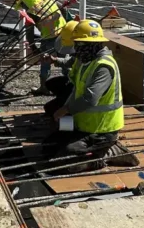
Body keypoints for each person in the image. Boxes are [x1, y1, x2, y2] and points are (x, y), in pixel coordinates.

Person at [51, 20, 125, 154]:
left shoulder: (103, 67)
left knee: (68, 151)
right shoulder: (87, 61)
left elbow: (90, 98)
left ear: (92, 45)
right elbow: (76, 90)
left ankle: (107, 153)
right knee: (50, 145)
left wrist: (66, 109)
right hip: (85, 124)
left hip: (103, 129)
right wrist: (65, 110)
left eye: (79, 44)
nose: (76, 48)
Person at [15, 0, 67, 92]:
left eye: (22, 4)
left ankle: (44, 88)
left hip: (48, 38)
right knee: (66, 61)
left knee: (45, 62)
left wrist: (33, 46)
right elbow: (63, 8)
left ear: (25, 1)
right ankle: (71, 86)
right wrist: (64, 22)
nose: (23, 7)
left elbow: (29, 31)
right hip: (64, 34)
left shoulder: (32, 12)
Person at [42, 20, 79, 115]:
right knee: (51, 84)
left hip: (80, 91)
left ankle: (66, 104)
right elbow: (70, 61)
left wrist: (67, 108)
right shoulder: (81, 53)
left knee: (49, 109)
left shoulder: (90, 58)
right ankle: (63, 99)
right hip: (75, 84)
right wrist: (55, 60)